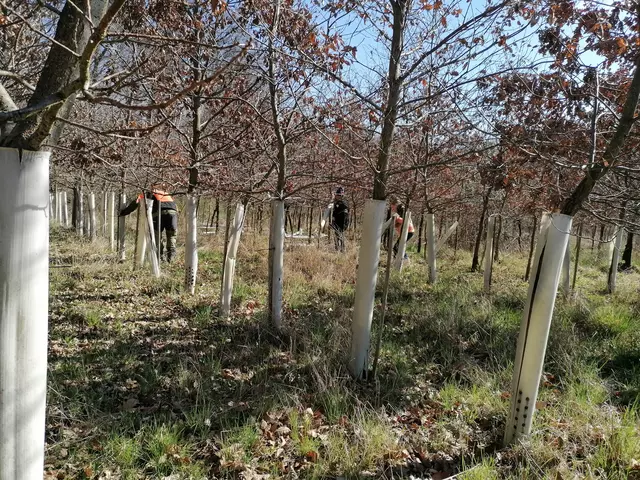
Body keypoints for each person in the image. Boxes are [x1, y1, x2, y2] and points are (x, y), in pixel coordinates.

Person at [120, 185, 178, 262]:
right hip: (173, 214)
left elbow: (136, 202)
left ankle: (159, 258)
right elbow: (175, 207)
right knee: (171, 235)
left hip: (158, 213)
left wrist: (125, 212)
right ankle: (171, 258)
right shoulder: (165, 193)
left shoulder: (148, 193)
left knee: (157, 235)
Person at [330, 187, 350, 252]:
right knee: (337, 234)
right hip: (338, 221)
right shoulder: (338, 203)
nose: (337, 196)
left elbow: (344, 213)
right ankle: (338, 248)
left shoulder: (343, 203)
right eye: (337, 195)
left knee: (340, 234)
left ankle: (342, 249)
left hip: (341, 221)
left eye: (339, 195)